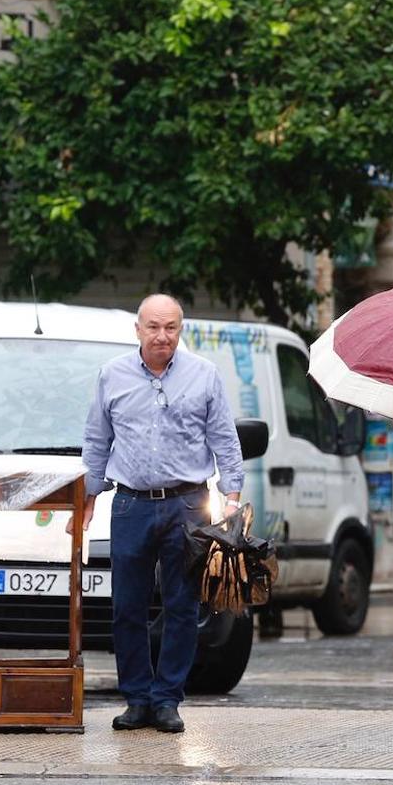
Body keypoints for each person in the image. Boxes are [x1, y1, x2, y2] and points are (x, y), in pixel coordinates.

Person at [80, 294, 244, 734]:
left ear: (181, 329)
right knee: (126, 606)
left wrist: (232, 494)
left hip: (188, 504)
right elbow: (97, 439)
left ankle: (168, 699)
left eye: (170, 327)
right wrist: (90, 496)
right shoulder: (111, 376)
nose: (162, 336)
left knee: (182, 606)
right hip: (131, 503)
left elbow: (224, 437)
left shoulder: (204, 375)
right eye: (153, 327)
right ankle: (135, 698)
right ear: (137, 330)